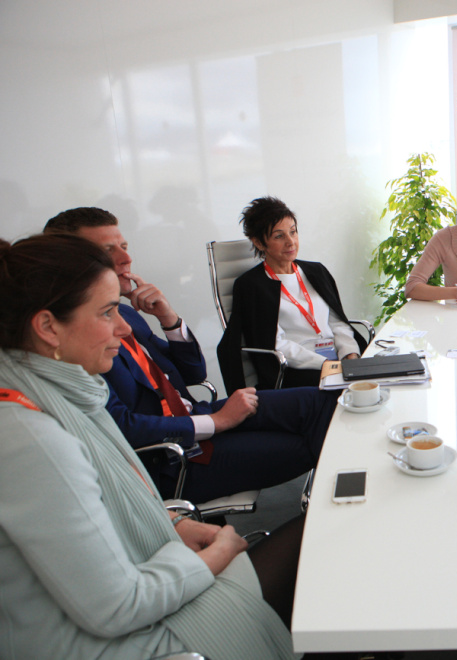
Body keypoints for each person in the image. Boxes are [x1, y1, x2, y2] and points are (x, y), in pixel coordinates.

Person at [0, 233, 301, 659]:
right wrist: (215, 556)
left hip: (139, 585)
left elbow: (88, 508)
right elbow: (117, 607)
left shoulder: (55, 395)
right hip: (119, 642)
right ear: (48, 327)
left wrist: (171, 524)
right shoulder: (32, 439)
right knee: (318, 547)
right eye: (106, 313)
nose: (123, 327)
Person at [44, 207, 334, 503]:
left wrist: (169, 320)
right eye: (107, 251)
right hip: (172, 459)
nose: (125, 258)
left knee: (323, 401)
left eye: (124, 246)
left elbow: (194, 372)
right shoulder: (72, 341)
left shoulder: (127, 315)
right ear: (71, 264)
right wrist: (217, 422)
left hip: (195, 416)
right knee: (308, 443)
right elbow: (122, 426)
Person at [219, 196, 365, 390]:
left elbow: (337, 323)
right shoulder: (251, 286)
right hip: (297, 369)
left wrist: (350, 356)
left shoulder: (316, 271)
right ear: (259, 243)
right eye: (279, 236)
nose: (291, 242)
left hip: (337, 361)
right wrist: (328, 365)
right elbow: (276, 344)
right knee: (353, 392)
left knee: (380, 378)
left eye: (293, 232)